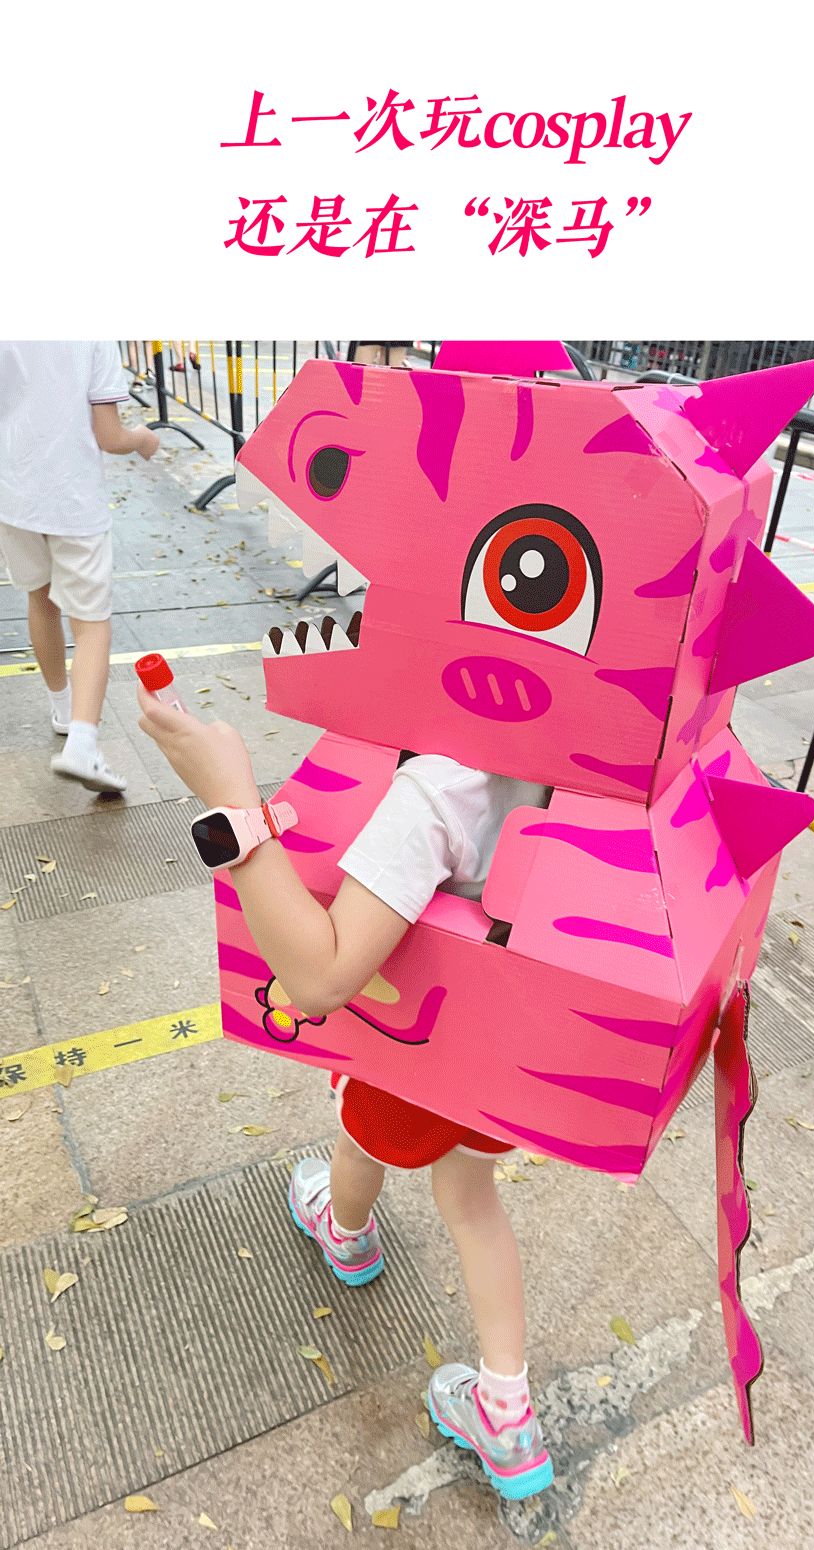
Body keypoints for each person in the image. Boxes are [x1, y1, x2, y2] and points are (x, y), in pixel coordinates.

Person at [136, 696, 555, 1502]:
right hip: (506, 1057)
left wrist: (231, 802)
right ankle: (507, 1411)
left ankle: (348, 1233)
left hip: (416, 1053)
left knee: (361, 1138)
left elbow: (321, 979)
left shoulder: (440, 787)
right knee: (471, 1201)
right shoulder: (589, 772)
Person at [0, 342, 159, 793]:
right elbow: (110, 436)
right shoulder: (92, 333)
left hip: (13, 495)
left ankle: (62, 708)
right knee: (91, 624)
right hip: (73, 501)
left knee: (39, 598)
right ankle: (83, 744)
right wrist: (143, 438)